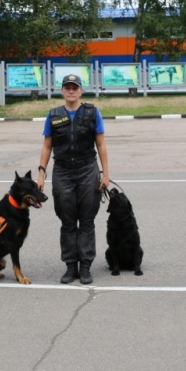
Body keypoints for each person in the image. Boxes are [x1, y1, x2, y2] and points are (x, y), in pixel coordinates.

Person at [37, 74, 109, 285]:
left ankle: (85, 267)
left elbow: (101, 145)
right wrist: (41, 174)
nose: (71, 91)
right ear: (62, 91)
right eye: (67, 87)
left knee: (87, 221)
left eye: (74, 87)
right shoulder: (53, 115)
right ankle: (70, 267)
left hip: (88, 170)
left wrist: (105, 174)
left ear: (80, 91)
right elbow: (47, 146)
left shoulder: (92, 112)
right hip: (63, 173)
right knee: (68, 222)